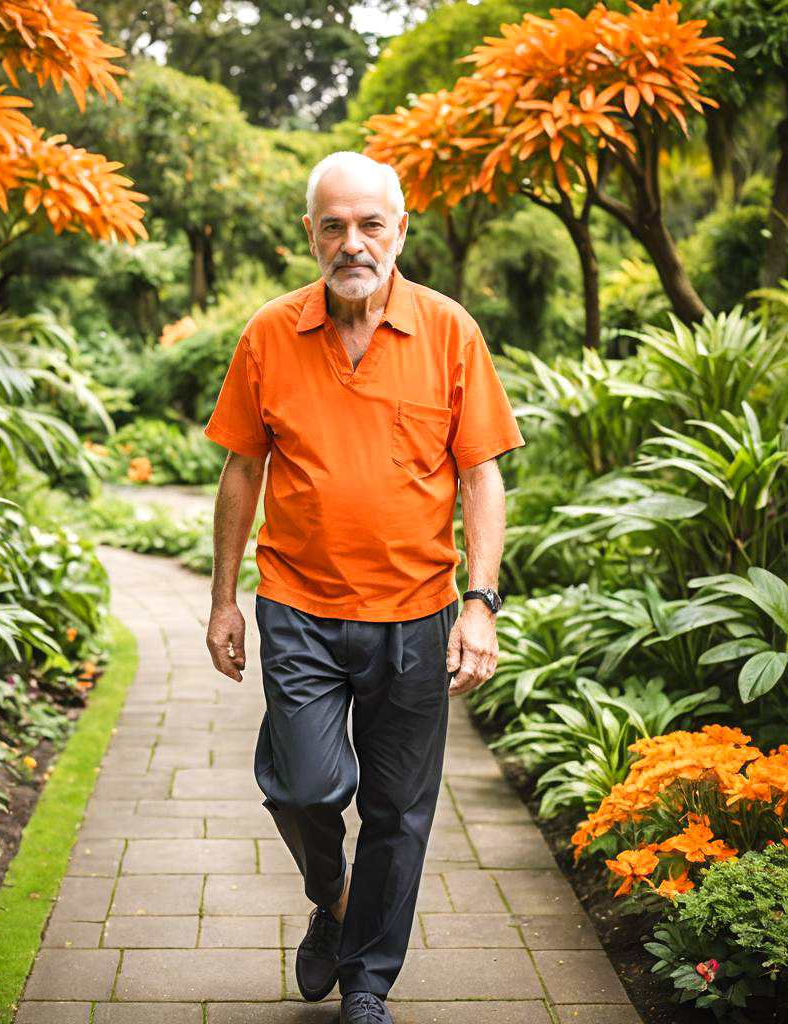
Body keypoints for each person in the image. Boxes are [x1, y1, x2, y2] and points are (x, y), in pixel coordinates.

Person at [203, 150, 525, 1024]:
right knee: (301, 787)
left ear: (400, 230)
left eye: (370, 224)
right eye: (334, 225)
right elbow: (241, 468)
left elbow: (482, 476)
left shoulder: (450, 330)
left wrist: (482, 604)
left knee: (398, 811)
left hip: (418, 614)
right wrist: (224, 598)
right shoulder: (270, 332)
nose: (353, 242)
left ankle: (368, 984)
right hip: (299, 606)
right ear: (310, 234)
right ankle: (336, 898)